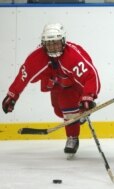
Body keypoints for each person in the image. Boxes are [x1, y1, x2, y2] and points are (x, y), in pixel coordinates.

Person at [2, 23, 101, 159]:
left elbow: (91, 76)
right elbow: (23, 75)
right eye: (49, 44)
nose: (53, 47)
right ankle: (78, 116)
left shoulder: (73, 56)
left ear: (63, 41)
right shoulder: (37, 57)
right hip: (56, 83)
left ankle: (72, 138)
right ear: (43, 44)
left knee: (68, 108)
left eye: (56, 43)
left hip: (74, 85)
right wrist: (12, 95)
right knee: (58, 110)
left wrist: (88, 97)